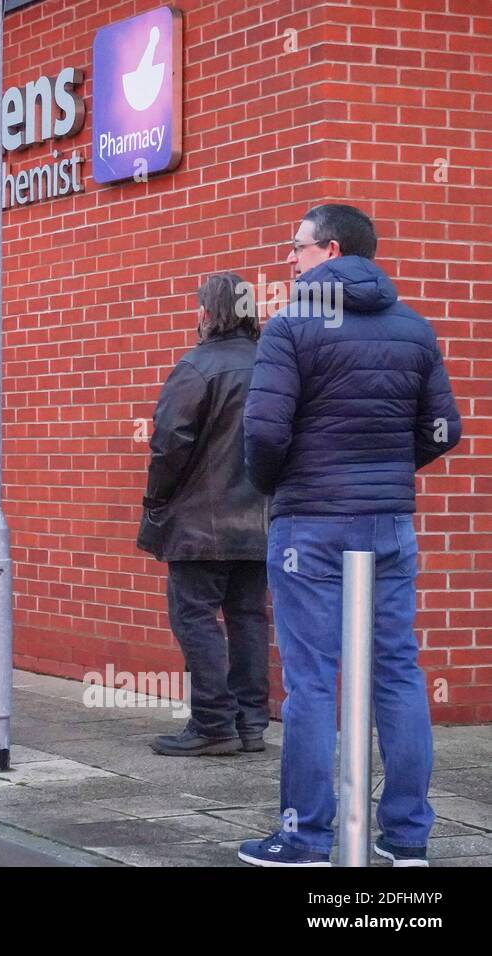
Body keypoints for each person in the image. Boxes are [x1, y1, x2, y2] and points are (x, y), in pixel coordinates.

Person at [238, 204, 461, 868]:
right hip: (389, 522)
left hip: (310, 523)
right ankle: (408, 837)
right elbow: (445, 429)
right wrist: (389, 470)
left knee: (311, 680)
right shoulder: (413, 328)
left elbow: (264, 433)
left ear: (329, 251)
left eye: (296, 247)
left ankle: (304, 837)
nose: (289, 258)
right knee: (397, 671)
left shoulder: (292, 327)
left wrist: (278, 484)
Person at [136, 273, 270, 757]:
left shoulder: (197, 367)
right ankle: (251, 721)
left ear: (208, 313)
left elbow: (169, 444)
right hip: (262, 519)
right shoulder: (274, 364)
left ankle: (214, 722)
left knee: (194, 618)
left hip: (199, 523)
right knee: (249, 618)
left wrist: (156, 501)